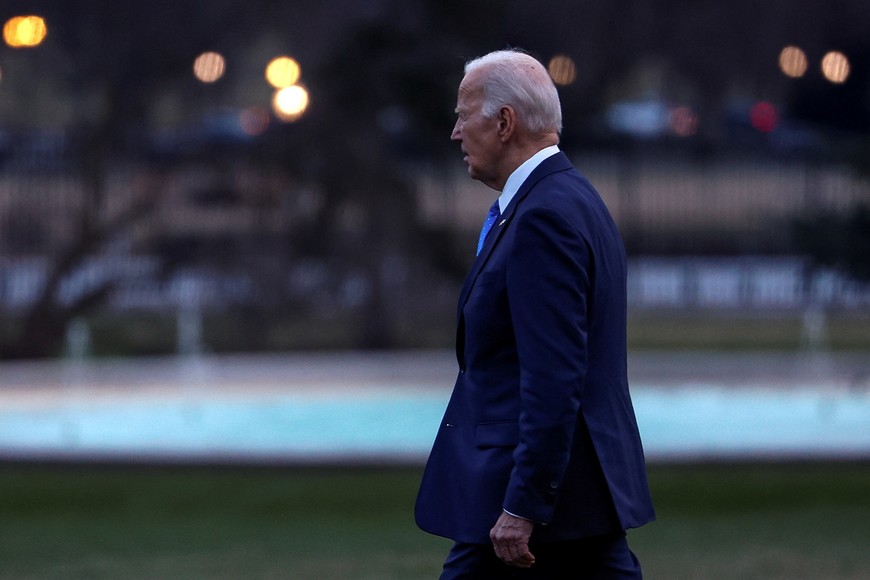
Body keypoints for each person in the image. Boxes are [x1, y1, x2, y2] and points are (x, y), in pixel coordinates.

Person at [414, 49, 656, 578]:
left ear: (504, 123)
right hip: (571, 500)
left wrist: (523, 503)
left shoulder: (544, 216)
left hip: (538, 503)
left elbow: (554, 376)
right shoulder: (571, 199)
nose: (455, 133)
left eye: (463, 115)